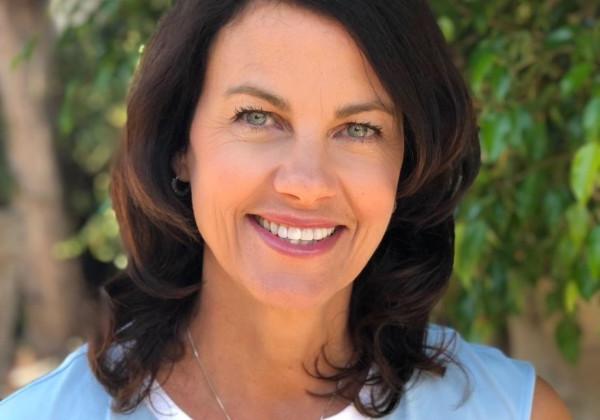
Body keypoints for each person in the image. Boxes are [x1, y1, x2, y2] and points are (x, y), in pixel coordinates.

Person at [0, 0, 572, 419]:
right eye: (257, 117)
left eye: (359, 129)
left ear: (407, 165)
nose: (306, 183)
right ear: (181, 146)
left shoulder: (513, 412)